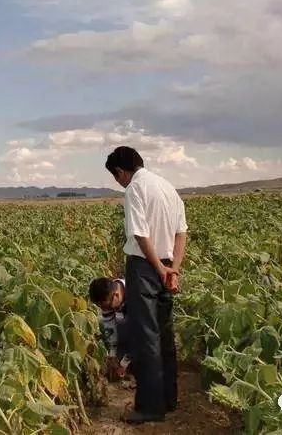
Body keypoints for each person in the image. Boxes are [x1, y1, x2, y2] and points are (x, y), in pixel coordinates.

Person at [105, 146, 188, 424]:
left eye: (116, 177)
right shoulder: (167, 187)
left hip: (145, 267)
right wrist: (173, 269)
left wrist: (157, 268)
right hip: (167, 264)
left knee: (146, 336)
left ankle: (151, 407)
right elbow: (181, 233)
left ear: (121, 171)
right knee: (164, 333)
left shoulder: (134, 190)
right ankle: (169, 399)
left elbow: (140, 235)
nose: (119, 183)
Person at [89, 277, 130, 381]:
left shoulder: (136, 296)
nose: (104, 309)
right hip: (130, 320)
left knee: (125, 326)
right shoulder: (110, 295)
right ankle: (119, 359)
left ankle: (133, 365)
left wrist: (124, 364)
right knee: (102, 322)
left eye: (105, 306)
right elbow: (109, 327)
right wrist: (112, 354)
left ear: (116, 295)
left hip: (151, 327)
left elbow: (141, 334)